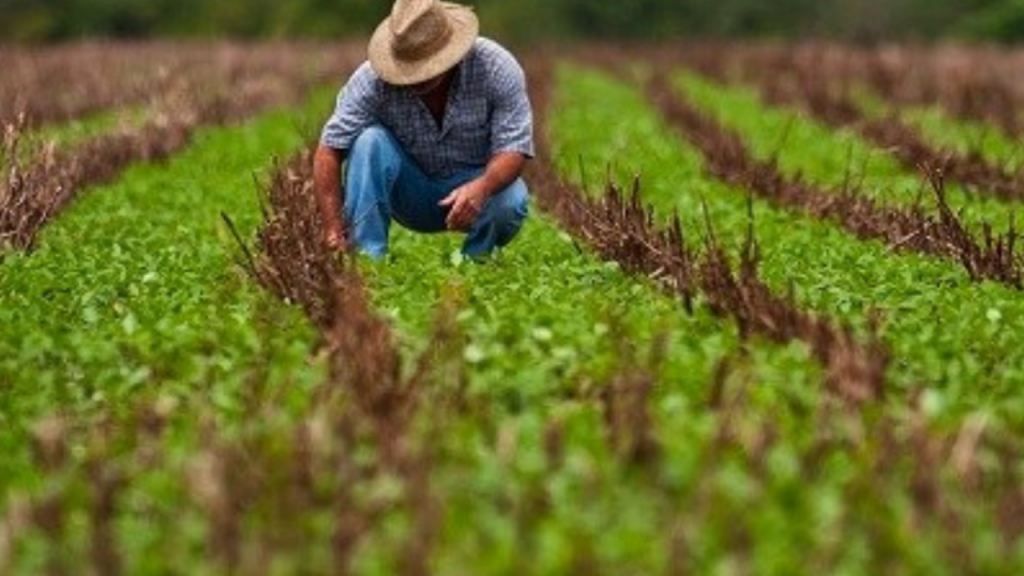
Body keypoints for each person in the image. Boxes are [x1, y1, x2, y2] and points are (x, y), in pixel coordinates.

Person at [314, 0, 534, 259]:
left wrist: (482, 187)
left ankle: (477, 264)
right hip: (410, 191)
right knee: (369, 141)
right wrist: (332, 229)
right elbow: (328, 150)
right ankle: (367, 260)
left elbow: (514, 149)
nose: (416, 78)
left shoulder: (496, 67)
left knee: (511, 200)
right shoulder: (371, 80)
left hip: (475, 184)